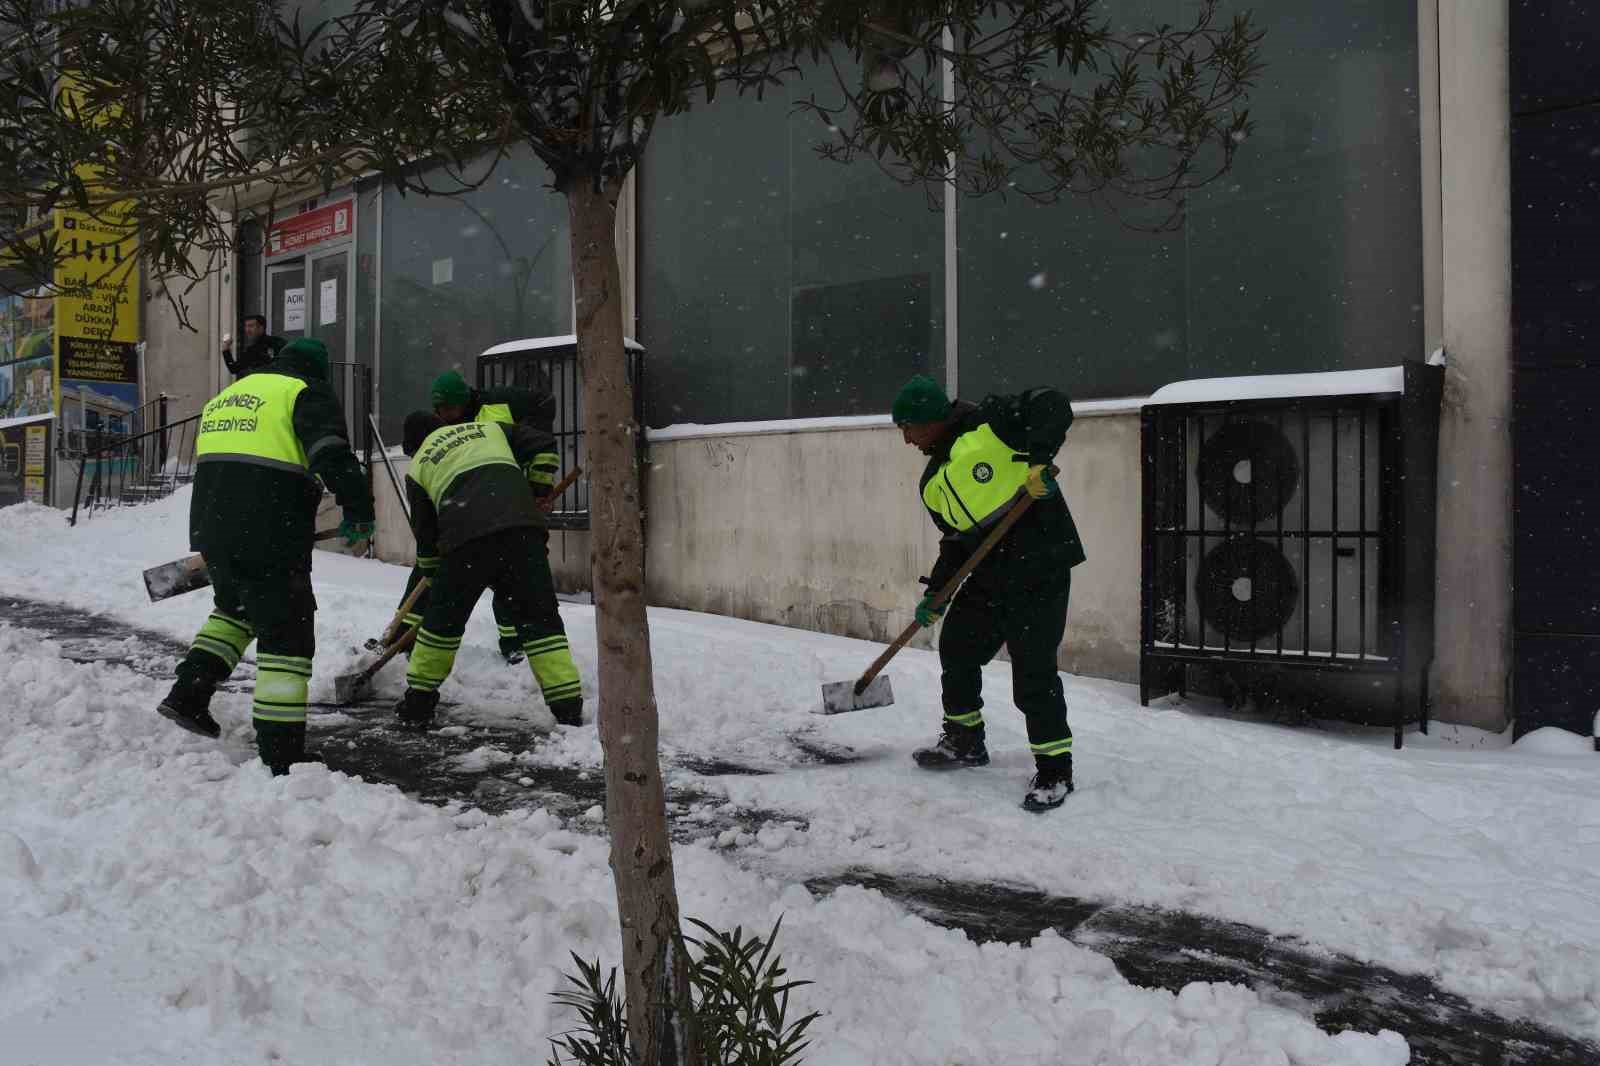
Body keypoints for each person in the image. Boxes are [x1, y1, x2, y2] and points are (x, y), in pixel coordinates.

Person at [156, 337, 376, 773]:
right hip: (268, 533)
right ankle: (281, 751)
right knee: (287, 634)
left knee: (235, 611)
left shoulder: (231, 395)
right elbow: (331, 453)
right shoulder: (304, 392)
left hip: (213, 528)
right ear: (318, 370)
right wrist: (359, 508)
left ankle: (188, 695)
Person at [892, 373, 1086, 812]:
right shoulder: (932, 483)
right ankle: (964, 740)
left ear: (931, 419)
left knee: (1033, 670)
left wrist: (1038, 461)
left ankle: (1055, 770)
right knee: (958, 649)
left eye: (909, 427)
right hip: (991, 573)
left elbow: (1052, 400)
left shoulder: (992, 424)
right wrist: (936, 593)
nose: (906, 439)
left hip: (1040, 566)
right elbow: (957, 541)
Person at [394, 410, 583, 730]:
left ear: (413, 445)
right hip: (522, 532)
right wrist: (537, 488)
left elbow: (425, 534)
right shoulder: (490, 429)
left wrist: (434, 571)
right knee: (541, 620)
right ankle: (567, 707)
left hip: (465, 540)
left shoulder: (419, 465)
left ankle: (419, 703)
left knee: (442, 624)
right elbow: (544, 443)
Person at [410, 368, 561, 662]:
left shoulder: (500, 403)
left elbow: (545, 405)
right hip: (469, 510)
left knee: (514, 574)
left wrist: (536, 485)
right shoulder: (448, 429)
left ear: (464, 399)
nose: (445, 415)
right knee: (493, 570)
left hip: (511, 499)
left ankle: (515, 642)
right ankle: (405, 635)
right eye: (439, 410)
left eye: (450, 407)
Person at [222, 314, 285, 379]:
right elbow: (234, 369)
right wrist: (225, 349)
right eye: (246, 326)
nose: (247, 330)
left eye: (251, 326)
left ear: (261, 328)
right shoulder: (250, 350)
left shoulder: (276, 342)